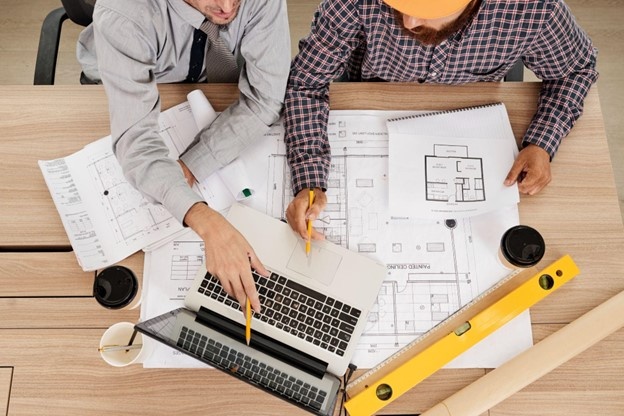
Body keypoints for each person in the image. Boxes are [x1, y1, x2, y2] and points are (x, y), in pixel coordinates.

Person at [283, 0, 598, 242]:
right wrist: (310, 178)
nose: (408, 21)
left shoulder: (533, 8)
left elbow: (576, 70)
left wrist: (542, 142)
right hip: (371, 97)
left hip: (472, 111)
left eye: (426, 10)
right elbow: (306, 82)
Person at [77, 0, 291, 313]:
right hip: (132, 78)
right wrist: (206, 221)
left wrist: (194, 161)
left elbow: (264, 100)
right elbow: (135, 140)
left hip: (214, 81)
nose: (228, 6)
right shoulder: (123, 13)